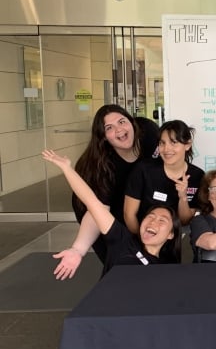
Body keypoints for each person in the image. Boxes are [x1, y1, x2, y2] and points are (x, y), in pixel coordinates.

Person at [52, 105, 160, 280]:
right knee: (121, 259)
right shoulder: (101, 167)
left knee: (149, 257)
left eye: (122, 121)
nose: (119, 129)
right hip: (99, 208)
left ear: (132, 123)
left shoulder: (148, 132)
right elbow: (96, 208)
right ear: (104, 137)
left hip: (135, 202)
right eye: (109, 128)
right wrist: (78, 249)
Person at [42, 149, 181, 276]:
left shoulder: (168, 265)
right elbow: (92, 202)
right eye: (150, 216)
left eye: (162, 220)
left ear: (171, 234)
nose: (153, 222)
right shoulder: (123, 241)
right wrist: (67, 168)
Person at [124, 119, 204, 234]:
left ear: (187, 145)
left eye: (173, 142)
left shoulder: (198, 176)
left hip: (173, 239)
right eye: (162, 143)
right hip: (142, 237)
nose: (166, 149)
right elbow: (129, 214)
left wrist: (183, 197)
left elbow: (184, 221)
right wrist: (142, 243)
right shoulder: (143, 170)